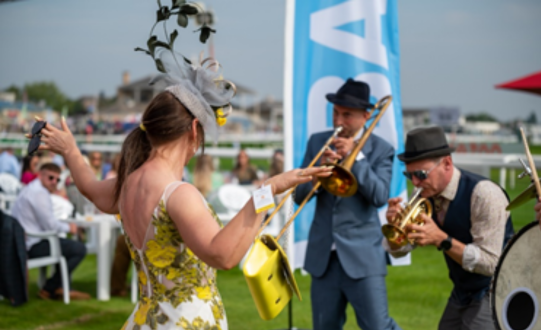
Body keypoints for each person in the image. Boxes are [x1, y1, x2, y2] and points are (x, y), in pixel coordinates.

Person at [34, 64, 331, 327]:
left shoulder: (126, 184)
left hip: (145, 320)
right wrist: (267, 191)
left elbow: (88, 186)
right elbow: (223, 255)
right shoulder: (178, 193)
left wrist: (71, 150)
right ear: (193, 129)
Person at [294, 79, 400, 330]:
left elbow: (379, 196)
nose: (339, 122)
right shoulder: (317, 142)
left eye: (347, 115)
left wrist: (357, 157)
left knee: (378, 326)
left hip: (364, 257)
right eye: (335, 113)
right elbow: (299, 195)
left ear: (366, 116)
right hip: (324, 259)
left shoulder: (381, 149)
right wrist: (319, 171)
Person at [384, 126, 514, 330]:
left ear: (446, 163)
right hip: (462, 291)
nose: (416, 183)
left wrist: (442, 240)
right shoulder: (423, 193)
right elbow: (400, 251)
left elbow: (491, 263)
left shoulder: (484, 194)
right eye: (410, 176)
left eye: (420, 174)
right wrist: (395, 229)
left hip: (496, 289)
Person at [11, 162, 90, 300]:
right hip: (31, 245)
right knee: (79, 249)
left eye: (57, 179)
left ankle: (61, 287)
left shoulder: (31, 188)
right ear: (41, 175)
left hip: (25, 241)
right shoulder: (39, 193)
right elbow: (51, 226)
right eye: (50, 178)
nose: (54, 182)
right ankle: (50, 288)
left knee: (68, 246)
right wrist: (70, 228)